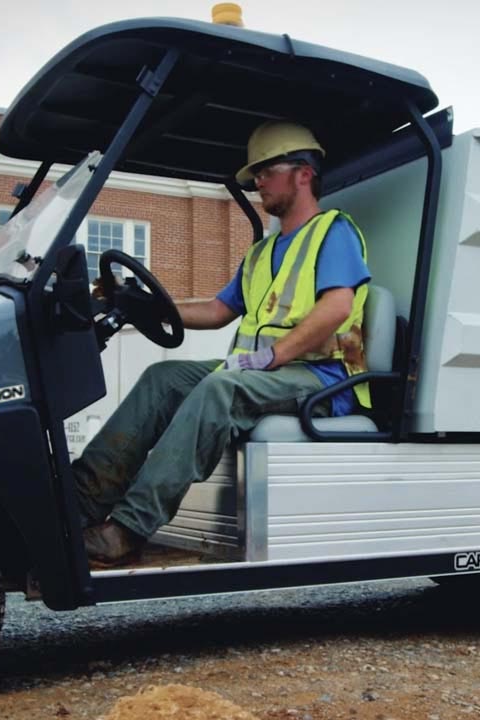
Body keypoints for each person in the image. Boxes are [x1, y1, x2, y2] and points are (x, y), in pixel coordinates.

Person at [74, 121, 372, 566]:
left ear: (304, 174)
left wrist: (271, 357)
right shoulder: (261, 253)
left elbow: (337, 307)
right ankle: (79, 502)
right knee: (164, 377)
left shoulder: (333, 232)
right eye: (255, 176)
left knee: (221, 389)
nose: (258, 183)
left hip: (321, 378)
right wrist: (151, 307)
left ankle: (128, 528)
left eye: (267, 171)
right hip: (265, 371)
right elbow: (217, 312)